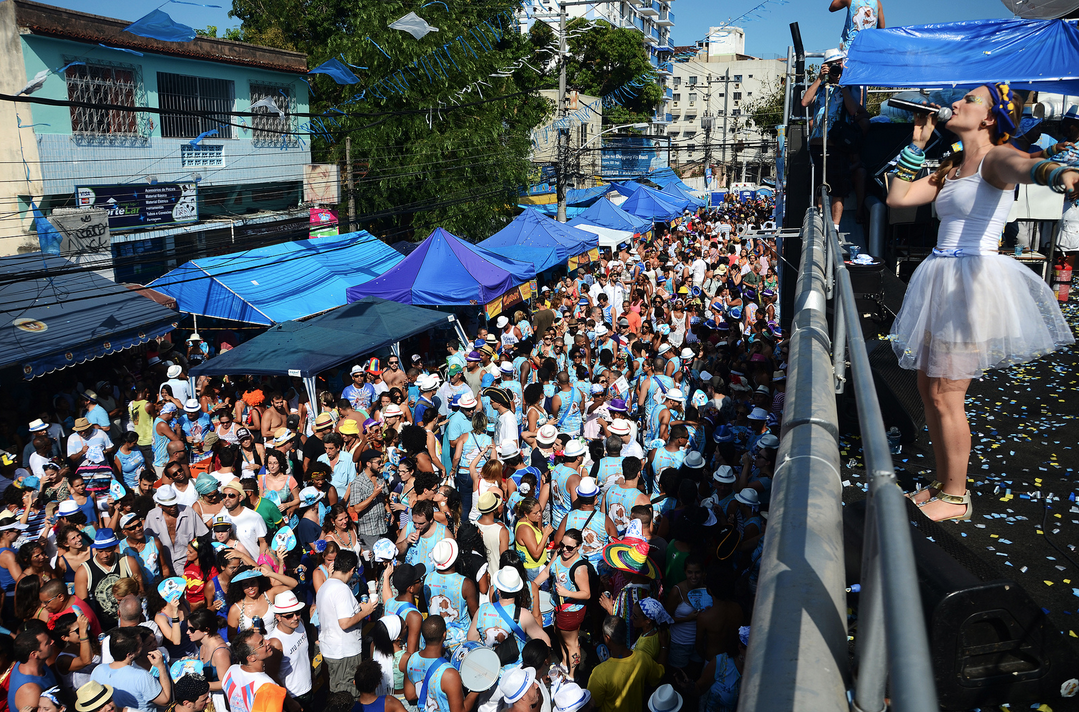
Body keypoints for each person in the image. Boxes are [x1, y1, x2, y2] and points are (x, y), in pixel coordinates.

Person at [887, 83, 1076, 521]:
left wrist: (1058, 175)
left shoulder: (994, 158)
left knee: (948, 394)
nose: (956, 102)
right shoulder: (952, 164)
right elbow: (898, 198)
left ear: (991, 117)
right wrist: (916, 146)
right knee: (928, 390)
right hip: (942, 277)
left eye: (969, 99)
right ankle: (941, 482)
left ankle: (955, 497)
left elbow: (1025, 166)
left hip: (972, 283)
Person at [799, 48, 865, 230]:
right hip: (817, 141)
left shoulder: (850, 85)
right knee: (817, 182)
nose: (836, 68)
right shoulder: (820, 86)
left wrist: (842, 84)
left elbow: (853, 110)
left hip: (837, 142)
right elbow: (804, 102)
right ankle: (819, 218)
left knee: (838, 186)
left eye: (839, 64)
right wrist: (820, 78)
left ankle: (835, 227)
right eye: (832, 65)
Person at [315, 549, 378, 696]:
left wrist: (358, 610)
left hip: (332, 649)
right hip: (344, 653)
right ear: (352, 570)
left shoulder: (326, 585)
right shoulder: (342, 589)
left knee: (337, 692)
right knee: (346, 696)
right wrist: (366, 611)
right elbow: (344, 623)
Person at [587, 615, 664, 712]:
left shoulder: (599, 673)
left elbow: (592, 705)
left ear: (607, 638)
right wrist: (664, 646)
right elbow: (659, 674)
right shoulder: (643, 658)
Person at [404, 616, 478, 712]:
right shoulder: (449, 674)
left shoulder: (411, 660)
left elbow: (410, 695)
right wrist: (475, 692)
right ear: (444, 635)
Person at [89, 627, 171, 712]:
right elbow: (165, 701)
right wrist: (161, 667)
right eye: (140, 645)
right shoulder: (141, 676)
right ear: (130, 654)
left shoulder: (97, 670)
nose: (142, 645)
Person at [74, 530, 139, 630]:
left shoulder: (128, 562)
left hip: (130, 623)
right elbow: (83, 605)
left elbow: (141, 591)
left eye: (108, 550)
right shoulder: (84, 571)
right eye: (100, 551)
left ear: (114, 547)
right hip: (103, 627)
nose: (104, 555)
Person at [423, 539, 478, 652]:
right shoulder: (466, 584)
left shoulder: (427, 578)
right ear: (455, 558)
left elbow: (424, 606)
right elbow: (475, 614)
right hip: (462, 641)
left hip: (436, 639)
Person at [144, 481, 208, 576]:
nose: (173, 507)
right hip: (163, 567)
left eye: (175, 503)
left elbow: (203, 536)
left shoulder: (189, 512)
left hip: (188, 565)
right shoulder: (151, 516)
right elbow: (148, 543)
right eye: (169, 506)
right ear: (160, 505)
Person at [266, 591, 313, 706]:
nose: (295, 618)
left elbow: (305, 654)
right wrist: (289, 702)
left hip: (309, 688)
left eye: (297, 613)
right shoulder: (276, 643)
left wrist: (311, 672)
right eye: (289, 616)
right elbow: (272, 675)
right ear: (278, 617)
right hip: (293, 696)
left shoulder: (300, 624)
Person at [222, 629, 278, 712]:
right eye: (261, 643)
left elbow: (228, 706)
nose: (268, 642)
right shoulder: (267, 684)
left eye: (264, 638)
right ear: (251, 657)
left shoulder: (231, 671)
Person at [9, 628, 58, 712]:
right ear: (34, 654)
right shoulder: (30, 691)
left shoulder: (30, 663)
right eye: (47, 643)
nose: (52, 641)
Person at [220, 480, 269, 559]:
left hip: (253, 566)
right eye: (224, 495)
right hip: (230, 567)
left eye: (231, 495)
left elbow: (263, 542)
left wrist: (262, 564)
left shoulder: (255, 517)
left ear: (240, 498)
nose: (227, 498)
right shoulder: (220, 517)